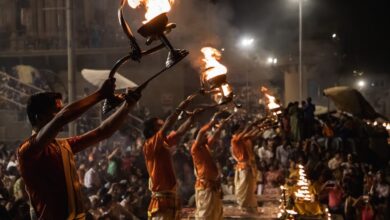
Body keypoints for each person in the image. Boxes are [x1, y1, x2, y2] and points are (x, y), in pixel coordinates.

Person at [17, 78, 141, 219]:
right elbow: (62, 118)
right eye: (55, 111)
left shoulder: (63, 145)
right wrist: (100, 94)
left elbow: (102, 132)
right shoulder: (27, 151)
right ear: (38, 118)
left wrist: (127, 106)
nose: (60, 113)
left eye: (60, 110)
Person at [142, 94, 198, 220]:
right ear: (152, 130)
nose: (162, 126)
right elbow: (168, 124)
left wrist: (192, 119)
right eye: (159, 125)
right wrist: (181, 107)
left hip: (170, 195)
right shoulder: (150, 145)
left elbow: (179, 132)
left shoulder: (164, 142)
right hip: (162, 197)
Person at [191, 112, 230, 220]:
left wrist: (222, 125)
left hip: (212, 185)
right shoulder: (195, 148)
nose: (207, 135)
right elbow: (202, 131)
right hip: (205, 186)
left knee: (215, 213)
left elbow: (216, 134)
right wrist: (213, 120)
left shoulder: (206, 146)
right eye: (205, 136)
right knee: (205, 214)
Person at [231, 120, 261, 213]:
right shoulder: (235, 139)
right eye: (240, 130)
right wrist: (251, 124)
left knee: (250, 188)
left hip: (249, 166)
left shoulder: (243, 139)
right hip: (244, 167)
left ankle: (250, 207)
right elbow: (247, 132)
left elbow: (253, 135)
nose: (242, 131)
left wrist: (260, 128)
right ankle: (244, 207)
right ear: (235, 132)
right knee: (245, 188)